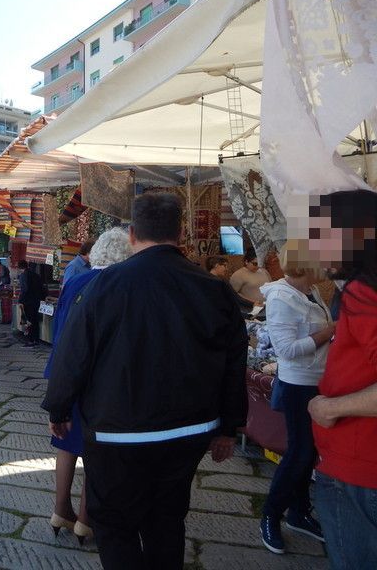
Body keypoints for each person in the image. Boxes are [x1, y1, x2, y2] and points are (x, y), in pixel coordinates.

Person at [43, 193, 248, 570]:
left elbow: (73, 354)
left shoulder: (103, 285)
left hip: (118, 431)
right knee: (167, 519)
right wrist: (229, 427)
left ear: (133, 234)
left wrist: (59, 408)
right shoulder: (213, 288)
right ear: (180, 232)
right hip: (189, 430)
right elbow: (235, 360)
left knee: (114, 523)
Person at [44, 227, 132, 545]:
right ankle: (85, 517)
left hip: (65, 371)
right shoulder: (118, 286)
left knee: (66, 442)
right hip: (98, 378)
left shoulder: (75, 282)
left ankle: (60, 510)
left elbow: (60, 327)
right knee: (96, 447)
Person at [305, 189, 377, 570]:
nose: (315, 249)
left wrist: (330, 407)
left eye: (322, 236)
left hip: (359, 466)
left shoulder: (365, 291)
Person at [258, 269, 334, 554]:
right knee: (299, 453)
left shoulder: (311, 292)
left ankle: (299, 512)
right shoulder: (281, 297)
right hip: (297, 385)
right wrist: (330, 331)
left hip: (317, 381)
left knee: (308, 452)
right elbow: (287, 350)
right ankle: (270, 514)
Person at [18, 260, 45, 347]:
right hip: (37, 301)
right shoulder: (36, 275)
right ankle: (36, 340)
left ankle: (30, 340)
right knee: (35, 321)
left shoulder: (23, 275)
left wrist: (20, 300)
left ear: (20, 268)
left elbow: (24, 289)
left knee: (29, 321)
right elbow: (42, 288)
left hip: (28, 302)